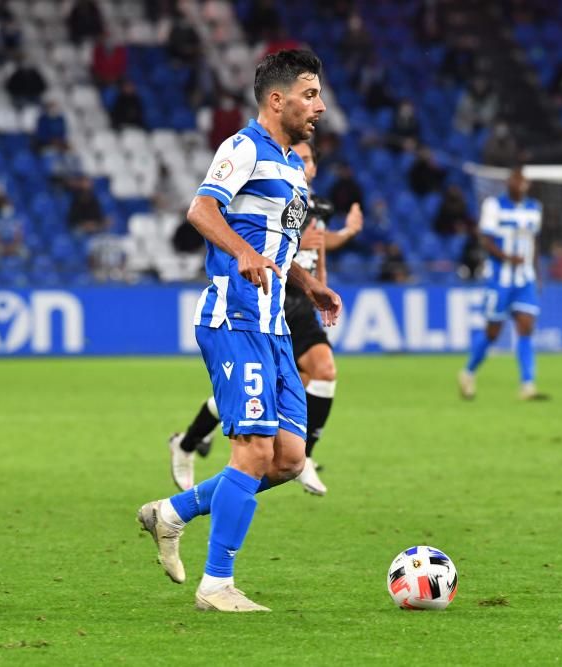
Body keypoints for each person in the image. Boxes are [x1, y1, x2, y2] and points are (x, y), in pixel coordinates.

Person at [136, 50, 340, 613]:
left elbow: (280, 247)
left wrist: (307, 283)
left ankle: (171, 513)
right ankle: (216, 585)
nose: (319, 106)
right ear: (277, 100)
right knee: (252, 451)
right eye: (310, 94)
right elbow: (202, 211)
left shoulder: (293, 167)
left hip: (275, 326)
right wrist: (243, 251)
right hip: (234, 317)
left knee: (289, 459)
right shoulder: (243, 146)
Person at [168, 139, 363, 496]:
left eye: (307, 159)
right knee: (259, 398)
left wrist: (322, 280)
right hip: (264, 296)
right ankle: (187, 444)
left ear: (315, 167)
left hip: (297, 305)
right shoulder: (264, 182)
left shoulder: (316, 206)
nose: (302, 164)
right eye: (298, 157)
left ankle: (303, 458)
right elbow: (273, 240)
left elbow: (318, 248)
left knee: (323, 370)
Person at [459, 166, 548, 401]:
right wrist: (508, 258)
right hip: (500, 278)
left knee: (526, 327)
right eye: (516, 180)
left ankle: (527, 384)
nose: (520, 185)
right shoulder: (494, 206)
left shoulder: (534, 209)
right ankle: (468, 372)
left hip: (525, 279)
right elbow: (485, 239)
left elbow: (534, 244)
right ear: (509, 183)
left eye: (524, 181)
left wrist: (538, 275)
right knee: (493, 331)